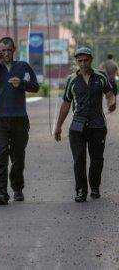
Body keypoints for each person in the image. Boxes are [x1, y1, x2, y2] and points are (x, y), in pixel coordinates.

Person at [54, 46, 116, 202]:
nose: (82, 64)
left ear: (91, 60)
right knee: (79, 159)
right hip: (77, 125)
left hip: (97, 124)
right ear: (76, 61)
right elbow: (66, 104)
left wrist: (112, 103)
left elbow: (109, 95)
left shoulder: (101, 77)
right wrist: (58, 126)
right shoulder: (72, 80)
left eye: (85, 60)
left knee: (97, 159)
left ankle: (94, 187)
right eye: (79, 61)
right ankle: (81, 190)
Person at [0, 37, 40, 205]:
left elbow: (35, 86)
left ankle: (17, 187)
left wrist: (21, 83)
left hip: (19, 119)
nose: (6, 53)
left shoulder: (22, 66)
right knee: (0, 155)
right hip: (0, 119)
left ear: (14, 49)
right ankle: (0, 193)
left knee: (18, 156)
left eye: (8, 50)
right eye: (2, 50)